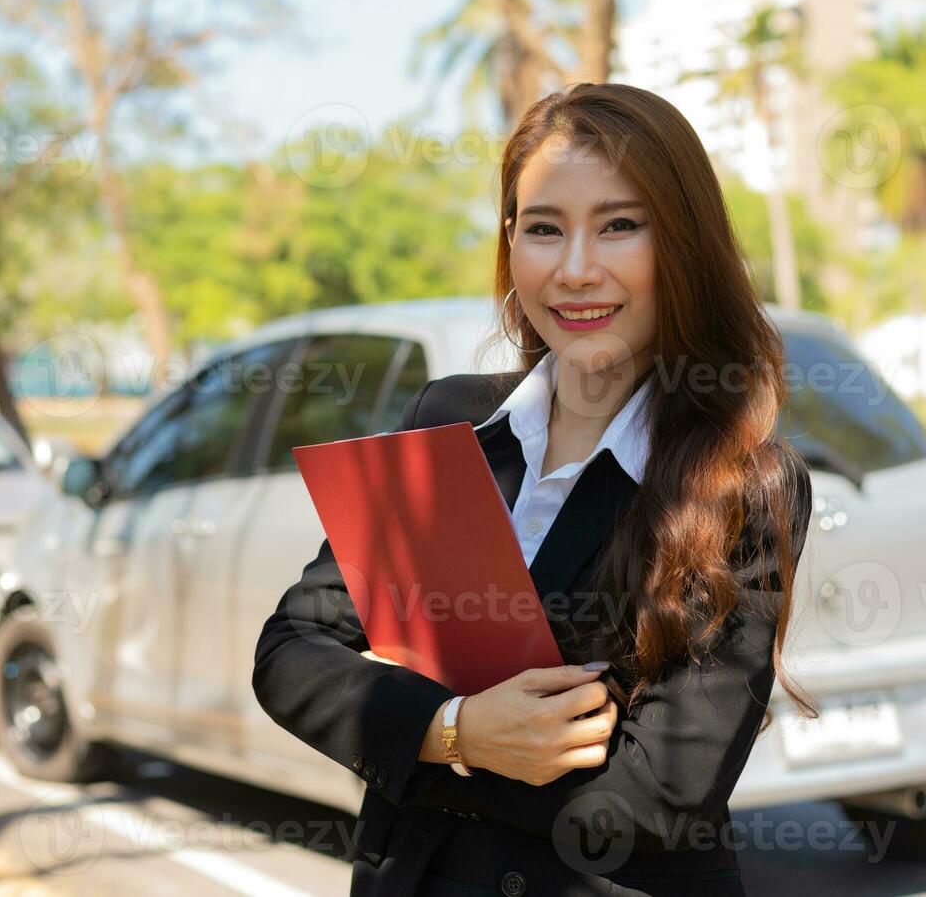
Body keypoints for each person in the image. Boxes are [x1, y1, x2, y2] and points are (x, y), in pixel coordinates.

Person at [252, 82, 816, 897]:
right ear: (511, 244)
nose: (576, 270)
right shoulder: (447, 423)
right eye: (544, 229)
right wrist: (458, 731)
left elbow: (658, 794)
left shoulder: (739, 481)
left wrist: (406, 733)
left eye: (620, 226)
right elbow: (290, 653)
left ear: (683, 244)